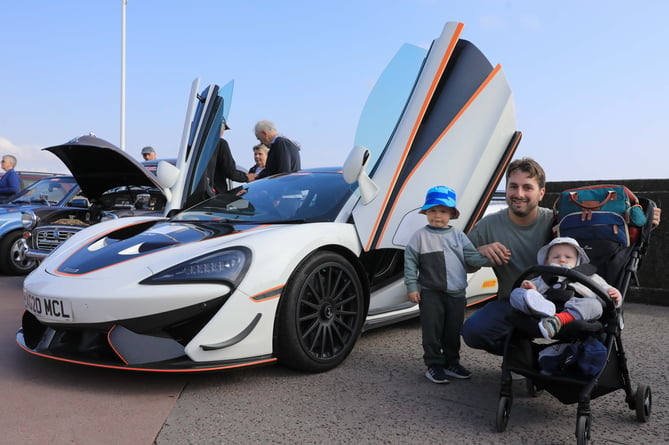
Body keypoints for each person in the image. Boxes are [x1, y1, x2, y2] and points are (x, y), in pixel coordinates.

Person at [461, 157, 661, 355]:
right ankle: (530, 356)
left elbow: (606, 235)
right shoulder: (488, 225)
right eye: (513, 187)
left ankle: (559, 357)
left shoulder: (559, 221)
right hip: (517, 302)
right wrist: (480, 253)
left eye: (527, 188)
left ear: (541, 193)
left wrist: (644, 224)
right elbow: (468, 266)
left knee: (599, 333)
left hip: (566, 300)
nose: (519, 194)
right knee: (473, 332)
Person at [404, 186, 492, 383]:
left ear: (452, 214)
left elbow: (473, 258)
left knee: (453, 331)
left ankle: (451, 362)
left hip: (457, 293)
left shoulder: (459, 236)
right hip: (430, 293)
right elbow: (410, 263)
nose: (437, 215)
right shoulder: (419, 236)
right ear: (426, 212)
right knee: (432, 331)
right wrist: (411, 287)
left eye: (443, 211)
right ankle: (433, 365)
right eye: (433, 210)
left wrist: (492, 259)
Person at [509, 237, 622, 339]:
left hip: (575, 309)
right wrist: (531, 289)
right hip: (544, 305)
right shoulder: (542, 277)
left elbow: (604, 288)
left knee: (595, 306)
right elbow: (529, 287)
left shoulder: (589, 276)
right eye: (556, 257)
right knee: (516, 293)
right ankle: (537, 306)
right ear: (547, 261)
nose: (562, 260)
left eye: (568, 257)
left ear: (578, 261)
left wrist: (613, 294)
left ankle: (558, 320)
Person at [212, 118, 252, 193]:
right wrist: (247, 177)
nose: (223, 133)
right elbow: (230, 172)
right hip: (215, 194)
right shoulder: (221, 144)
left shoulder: (195, 146)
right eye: (224, 129)